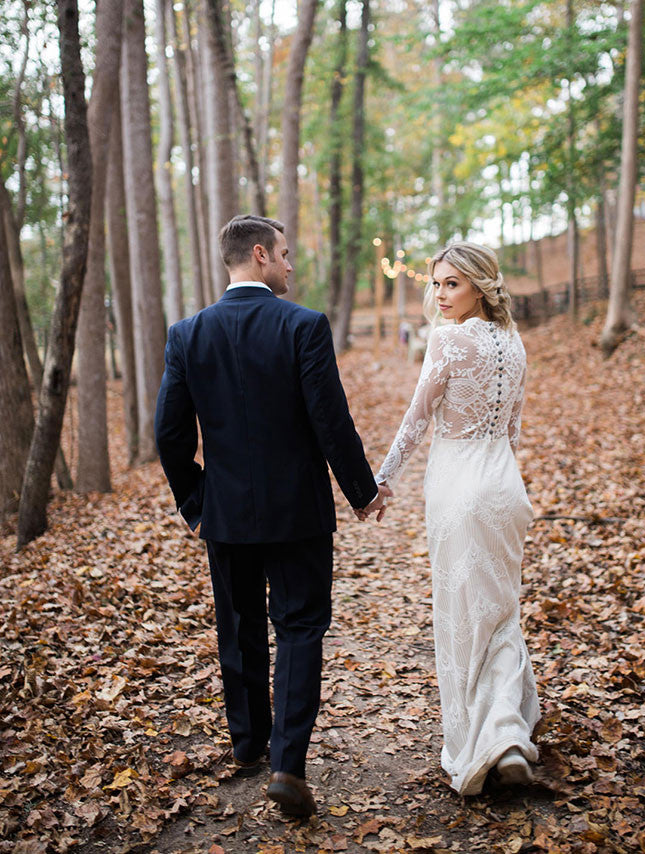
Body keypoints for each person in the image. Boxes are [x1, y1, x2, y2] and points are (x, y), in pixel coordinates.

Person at [154, 215, 390, 817]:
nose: (290, 264)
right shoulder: (304, 326)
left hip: (226, 515)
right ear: (259, 255)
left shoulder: (188, 334)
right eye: (284, 254)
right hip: (299, 514)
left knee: (239, 626)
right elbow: (329, 421)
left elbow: (169, 434)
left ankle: (248, 744)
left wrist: (196, 502)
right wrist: (362, 493)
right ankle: (287, 763)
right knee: (300, 626)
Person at [372, 242, 540, 796]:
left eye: (452, 285)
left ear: (480, 286)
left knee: (466, 617)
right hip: (505, 488)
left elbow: (418, 418)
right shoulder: (514, 343)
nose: (440, 295)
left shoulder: (447, 339)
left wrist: (381, 479)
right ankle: (510, 734)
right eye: (438, 283)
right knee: (501, 610)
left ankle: (487, 742)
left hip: (459, 489)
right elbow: (512, 430)